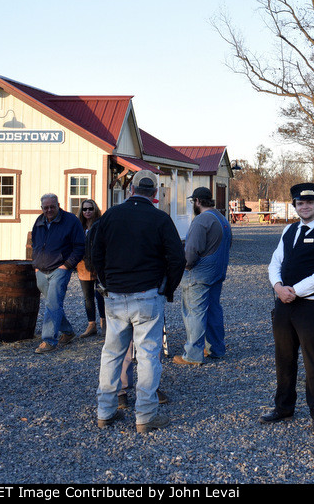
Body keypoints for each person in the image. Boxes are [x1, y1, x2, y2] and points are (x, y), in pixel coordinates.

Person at [92, 171, 185, 433]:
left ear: (131, 189)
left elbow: (95, 251)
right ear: (155, 193)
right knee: (147, 356)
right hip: (147, 295)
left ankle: (105, 412)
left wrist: (105, 281)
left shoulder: (111, 215)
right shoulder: (160, 218)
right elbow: (176, 258)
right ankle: (145, 416)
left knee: (111, 354)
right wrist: (168, 289)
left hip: (115, 294)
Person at [260, 183, 314, 435]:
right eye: (299, 203)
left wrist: (293, 291)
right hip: (284, 304)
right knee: (284, 358)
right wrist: (277, 286)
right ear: (294, 206)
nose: (304, 206)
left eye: (309, 202)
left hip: (311, 306)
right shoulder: (289, 229)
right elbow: (275, 262)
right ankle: (283, 407)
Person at [174, 187, 232, 366]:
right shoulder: (222, 219)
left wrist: (185, 267)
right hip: (217, 272)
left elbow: (191, 252)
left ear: (197, 201)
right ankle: (216, 349)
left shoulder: (201, 221)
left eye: (193, 202)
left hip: (199, 275)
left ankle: (192, 354)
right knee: (214, 310)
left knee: (194, 313)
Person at [31, 193, 85, 354]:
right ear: (41, 208)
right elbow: (35, 243)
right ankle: (68, 332)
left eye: (52, 207)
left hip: (60, 269)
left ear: (58, 205)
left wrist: (67, 265)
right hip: (41, 269)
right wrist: (35, 265)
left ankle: (48, 340)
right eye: (45, 207)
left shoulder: (71, 221)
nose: (49, 210)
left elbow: (80, 246)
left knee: (52, 303)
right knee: (52, 303)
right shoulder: (39, 221)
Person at [76, 199, 105, 337]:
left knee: (101, 295)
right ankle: (91, 325)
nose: (87, 211)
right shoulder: (78, 226)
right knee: (88, 297)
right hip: (83, 265)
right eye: (85, 209)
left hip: (99, 265)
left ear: (95, 210)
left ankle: (104, 324)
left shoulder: (100, 224)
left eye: (90, 209)